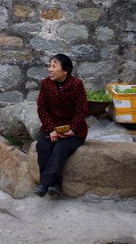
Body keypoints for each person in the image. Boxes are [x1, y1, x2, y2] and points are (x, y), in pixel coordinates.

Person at [34, 53, 88, 197]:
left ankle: (44, 184)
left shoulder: (76, 85)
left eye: (54, 66)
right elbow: (42, 108)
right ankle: (55, 184)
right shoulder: (45, 84)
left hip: (73, 131)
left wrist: (72, 129)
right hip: (51, 127)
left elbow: (82, 109)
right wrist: (51, 129)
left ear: (65, 70)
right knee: (42, 146)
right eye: (49, 66)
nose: (49, 69)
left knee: (60, 147)